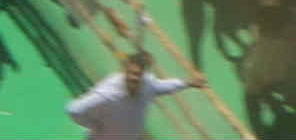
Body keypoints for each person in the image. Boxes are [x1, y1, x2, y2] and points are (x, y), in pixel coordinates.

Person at [68, 52, 200, 139]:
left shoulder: (147, 84)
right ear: (124, 71)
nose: (134, 78)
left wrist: (187, 83)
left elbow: (163, 86)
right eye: (131, 73)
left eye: (138, 74)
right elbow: (74, 110)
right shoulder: (108, 93)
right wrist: (95, 125)